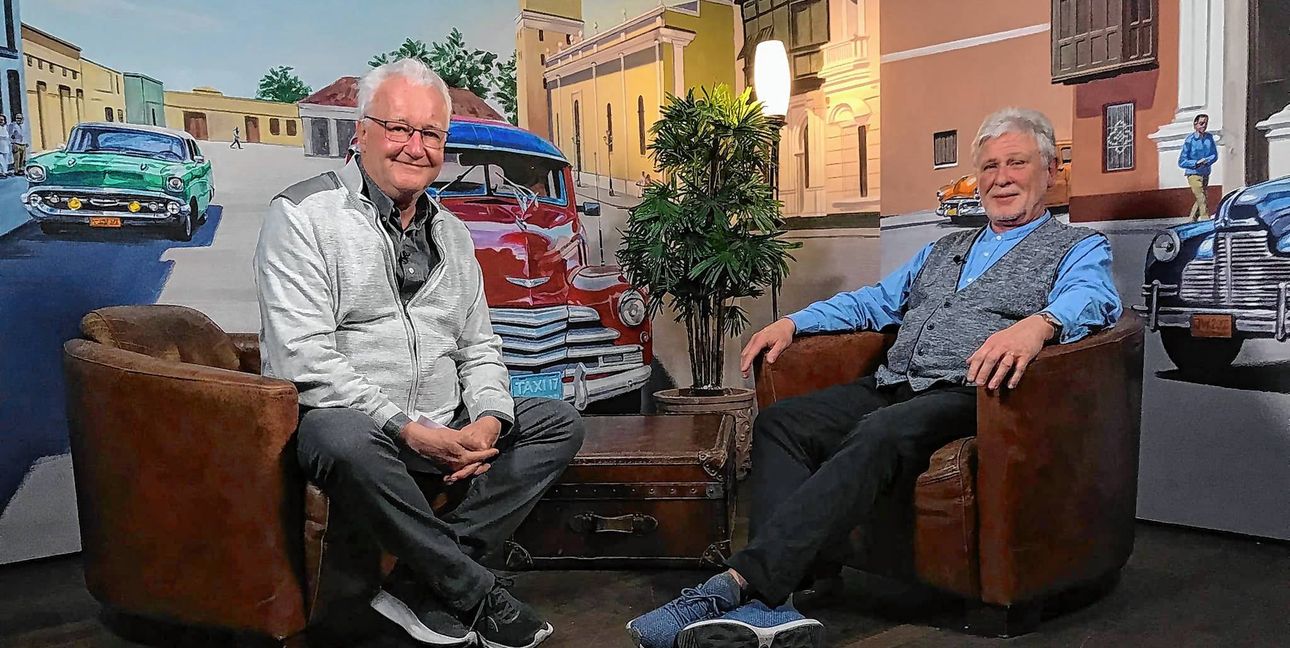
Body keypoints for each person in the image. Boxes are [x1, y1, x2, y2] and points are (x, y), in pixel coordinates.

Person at [626, 107, 1122, 648]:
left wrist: (1040, 324)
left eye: (1017, 163)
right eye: (989, 167)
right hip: (895, 382)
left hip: (971, 394)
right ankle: (777, 603)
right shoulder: (946, 249)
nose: (1001, 178)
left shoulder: (1076, 247)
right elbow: (875, 302)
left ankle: (734, 587)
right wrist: (795, 322)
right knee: (783, 423)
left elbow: (1094, 298)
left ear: (1049, 171)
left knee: (879, 432)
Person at [254, 58, 584, 648]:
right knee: (341, 436)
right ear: (361, 132)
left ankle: (419, 583)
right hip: (357, 427)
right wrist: (406, 429)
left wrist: (489, 417)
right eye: (399, 128)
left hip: (443, 414)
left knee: (558, 421)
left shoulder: (454, 233)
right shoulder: (302, 215)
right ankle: (472, 589)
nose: (415, 146)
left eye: (431, 133)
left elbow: (479, 345)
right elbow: (301, 358)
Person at [1178, 113, 1217, 221]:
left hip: (1205, 172)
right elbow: (1182, 161)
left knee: (1201, 198)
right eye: (1201, 123)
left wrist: (1207, 161)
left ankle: (1192, 220)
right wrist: (1196, 163)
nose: (1204, 126)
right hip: (1193, 174)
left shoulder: (1209, 138)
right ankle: (1205, 219)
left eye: (1206, 123)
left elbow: (1214, 155)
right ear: (1195, 124)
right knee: (1201, 197)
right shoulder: (1190, 140)